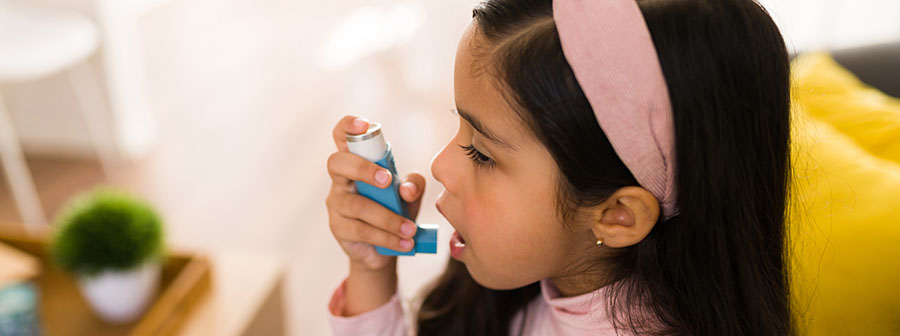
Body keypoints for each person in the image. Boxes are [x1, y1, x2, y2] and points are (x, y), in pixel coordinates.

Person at [324, 0, 793, 334]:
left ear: (618, 215)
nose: (441, 165)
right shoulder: (528, 275)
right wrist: (372, 269)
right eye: (460, 127)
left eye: (483, 153)